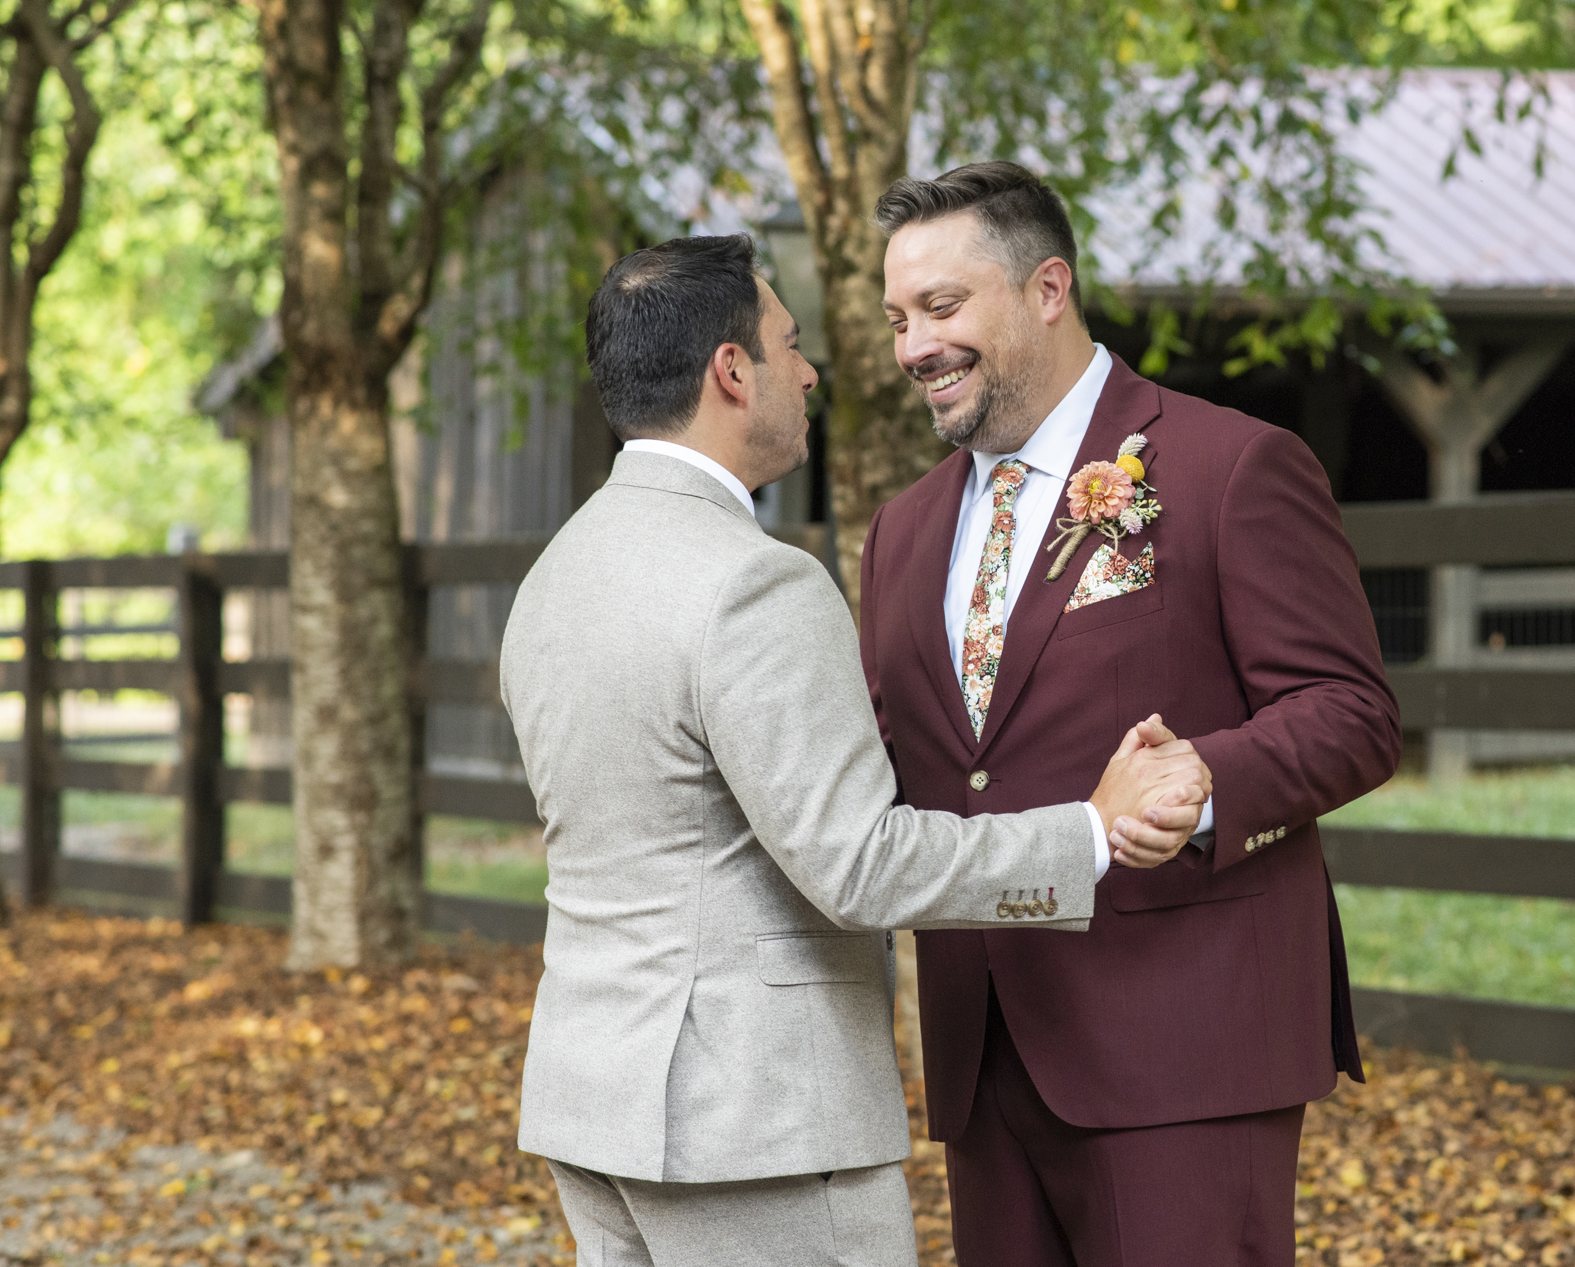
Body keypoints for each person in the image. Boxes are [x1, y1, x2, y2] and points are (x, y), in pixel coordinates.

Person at [500, 233, 1208, 1267]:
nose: (808, 370)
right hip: (752, 1121)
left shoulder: (556, 577)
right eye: (788, 343)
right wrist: (1089, 834)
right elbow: (857, 864)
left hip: (592, 1097)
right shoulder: (754, 582)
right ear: (730, 372)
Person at [860, 162, 1402, 1266]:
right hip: (983, 1052)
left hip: (1184, 1044)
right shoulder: (902, 531)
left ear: (1048, 288)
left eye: (943, 307)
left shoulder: (1227, 465)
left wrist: (1200, 781)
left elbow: (1350, 711)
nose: (914, 347)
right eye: (897, 319)